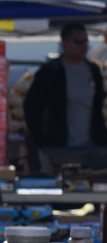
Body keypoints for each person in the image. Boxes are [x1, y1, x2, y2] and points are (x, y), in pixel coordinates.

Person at [24, 23, 107, 173]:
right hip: (58, 148)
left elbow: (98, 107)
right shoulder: (50, 72)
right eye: (78, 42)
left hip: (91, 148)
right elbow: (32, 107)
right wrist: (41, 142)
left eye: (86, 42)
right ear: (65, 43)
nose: (84, 47)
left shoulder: (93, 71)